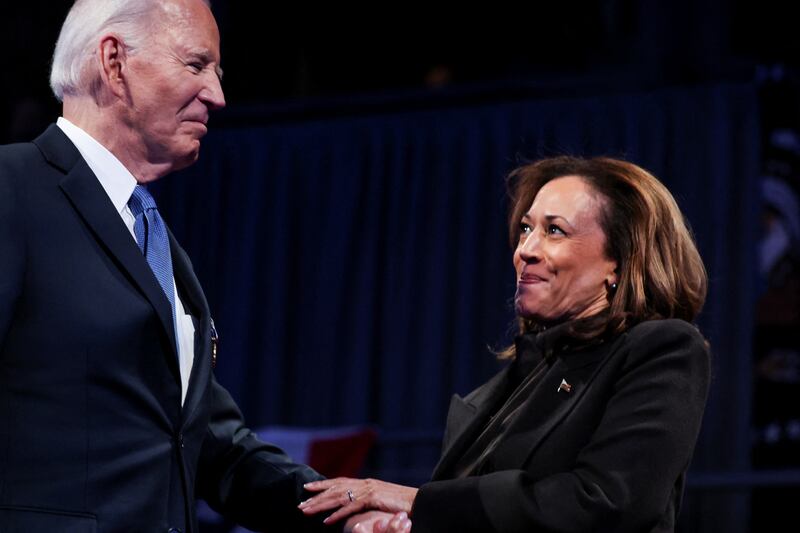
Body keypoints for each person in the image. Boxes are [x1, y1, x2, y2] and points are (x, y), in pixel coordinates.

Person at [0, 0, 387, 531]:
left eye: (218, 72)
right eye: (196, 64)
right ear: (114, 62)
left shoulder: (155, 241)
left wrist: (347, 510)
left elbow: (208, 446)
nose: (218, 95)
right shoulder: (11, 190)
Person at [299, 156, 711, 532]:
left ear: (618, 261)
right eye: (526, 229)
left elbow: (608, 501)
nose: (525, 250)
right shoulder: (503, 391)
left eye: (554, 231)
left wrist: (416, 500)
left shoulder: (662, 349)